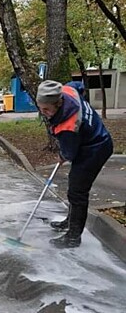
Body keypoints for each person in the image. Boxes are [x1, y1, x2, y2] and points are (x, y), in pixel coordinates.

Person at [36, 80, 113, 248]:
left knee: (77, 192)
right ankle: (70, 222)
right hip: (90, 141)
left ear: (59, 103)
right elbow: (79, 85)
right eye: (40, 108)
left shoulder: (68, 126)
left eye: (47, 109)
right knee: (74, 186)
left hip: (95, 149)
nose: (44, 113)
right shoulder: (68, 90)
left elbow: (69, 153)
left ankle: (73, 237)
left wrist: (62, 155)